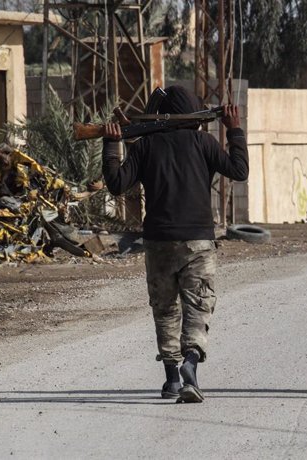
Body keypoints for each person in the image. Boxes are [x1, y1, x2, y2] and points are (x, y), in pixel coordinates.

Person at [102, 86, 248, 403]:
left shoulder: (145, 147)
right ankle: (190, 366)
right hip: (198, 241)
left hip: (158, 242)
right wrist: (234, 130)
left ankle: (170, 379)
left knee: (165, 309)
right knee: (198, 305)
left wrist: (113, 145)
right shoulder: (204, 143)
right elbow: (239, 170)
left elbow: (116, 184)